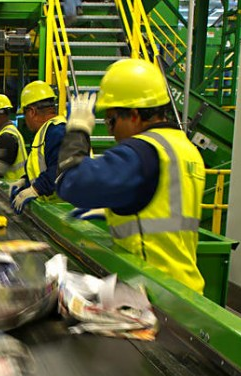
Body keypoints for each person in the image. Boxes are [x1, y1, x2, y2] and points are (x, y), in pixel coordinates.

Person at [53, 59, 205, 293]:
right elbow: (161, 203)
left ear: (134, 115)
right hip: (185, 290)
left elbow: (70, 182)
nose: (110, 130)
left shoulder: (141, 152)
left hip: (153, 291)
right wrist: (119, 210)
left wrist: (77, 131)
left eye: (111, 121)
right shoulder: (183, 148)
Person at [8, 81, 66, 213]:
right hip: (57, 210)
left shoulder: (58, 131)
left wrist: (36, 189)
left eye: (24, 114)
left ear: (32, 112)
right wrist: (25, 182)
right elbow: (43, 166)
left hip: (68, 211)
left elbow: (61, 168)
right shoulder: (46, 132)